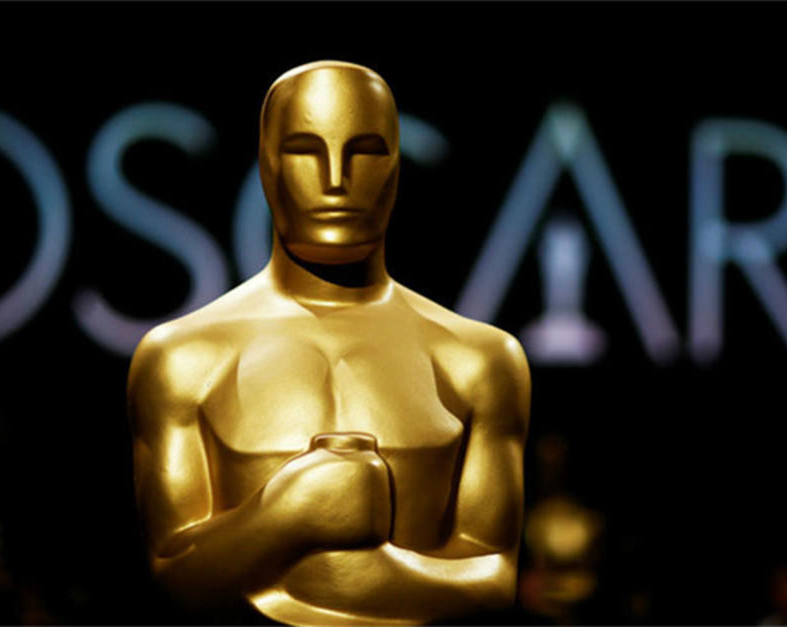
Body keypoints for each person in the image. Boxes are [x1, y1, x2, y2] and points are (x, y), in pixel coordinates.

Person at [127, 60, 531, 624]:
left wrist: (336, 571)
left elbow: (493, 579)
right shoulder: (182, 359)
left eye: (364, 151)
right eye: (303, 150)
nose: (336, 177)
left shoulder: (480, 361)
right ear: (267, 163)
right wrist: (288, 514)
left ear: (396, 165)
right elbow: (174, 577)